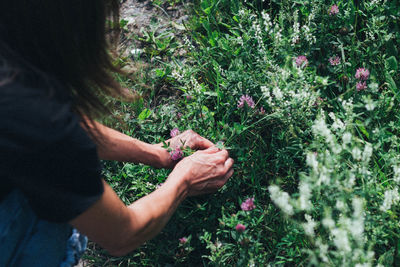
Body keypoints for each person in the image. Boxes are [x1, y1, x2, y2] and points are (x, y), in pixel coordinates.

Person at [0, 1, 234, 266]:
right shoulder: (37, 121)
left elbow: (37, 124)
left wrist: (157, 153)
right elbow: (122, 234)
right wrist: (184, 180)